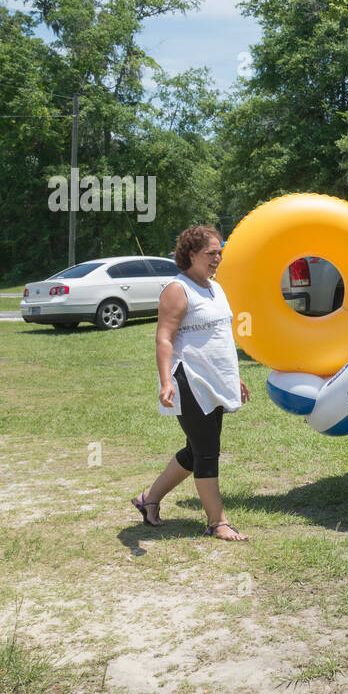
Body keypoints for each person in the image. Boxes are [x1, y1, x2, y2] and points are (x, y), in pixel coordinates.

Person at [131, 225, 251, 541]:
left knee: (195, 449)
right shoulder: (177, 289)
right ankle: (217, 521)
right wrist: (165, 381)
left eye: (219, 252)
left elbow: (219, 337)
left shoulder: (215, 288)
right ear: (191, 254)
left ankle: (148, 500)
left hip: (214, 380)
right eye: (212, 253)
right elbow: (164, 338)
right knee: (207, 450)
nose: (218, 258)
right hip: (190, 380)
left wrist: (233, 376)